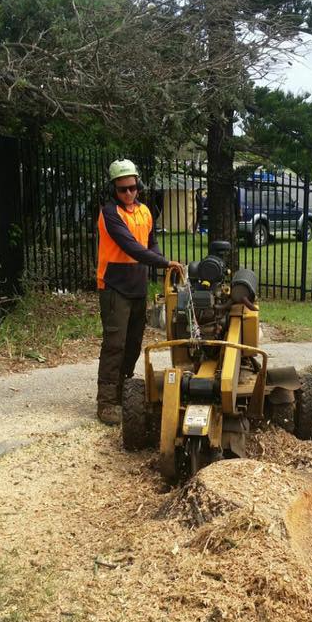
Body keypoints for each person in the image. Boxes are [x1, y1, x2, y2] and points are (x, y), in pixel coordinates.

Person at [96, 159, 184, 425]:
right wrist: (164, 262)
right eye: (123, 189)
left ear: (138, 186)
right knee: (115, 344)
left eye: (133, 188)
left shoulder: (145, 211)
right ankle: (107, 402)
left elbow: (150, 243)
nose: (129, 193)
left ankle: (123, 393)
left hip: (137, 286)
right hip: (114, 286)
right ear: (114, 189)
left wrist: (164, 263)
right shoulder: (110, 214)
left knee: (133, 344)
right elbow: (131, 247)